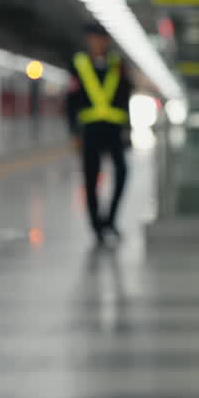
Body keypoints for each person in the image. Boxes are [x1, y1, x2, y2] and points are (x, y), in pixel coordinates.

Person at [65, 22, 131, 245]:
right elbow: (71, 101)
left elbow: (125, 97)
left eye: (100, 38)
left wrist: (128, 130)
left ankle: (110, 220)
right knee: (91, 179)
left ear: (106, 41)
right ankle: (96, 226)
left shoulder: (118, 64)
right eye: (92, 38)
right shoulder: (78, 63)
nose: (96, 42)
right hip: (90, 130)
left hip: (114, 129)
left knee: (122, 172)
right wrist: (73, 132)